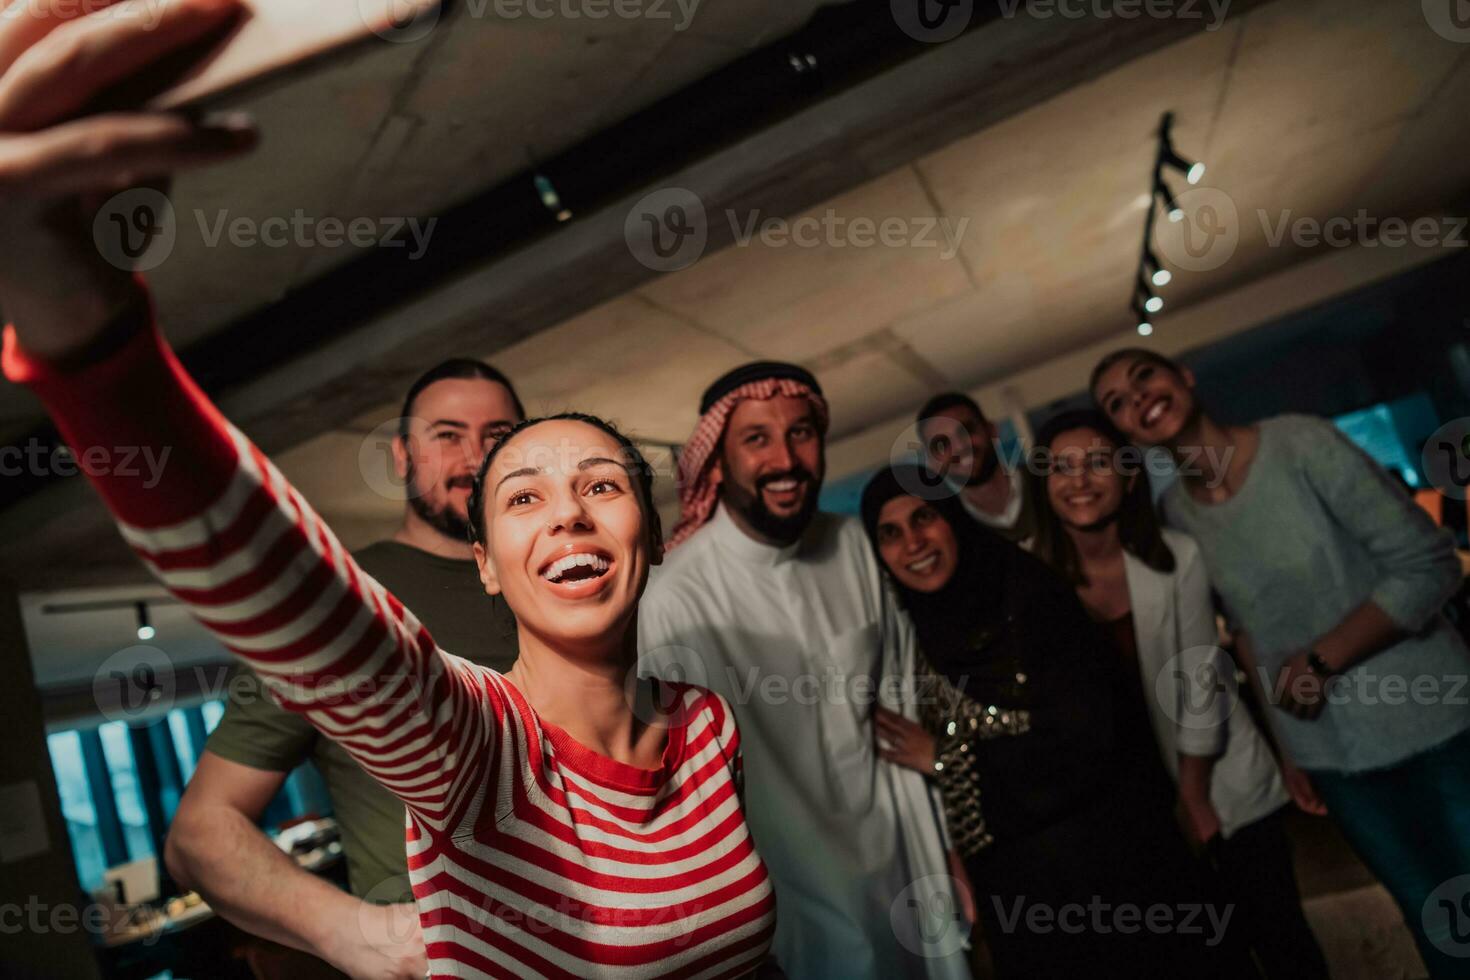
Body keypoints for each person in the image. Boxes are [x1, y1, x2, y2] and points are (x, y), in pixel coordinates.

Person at [0, 6, 779, 976]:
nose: (570, 509)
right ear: (487, 565)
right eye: (523, 495)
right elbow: (300, 605)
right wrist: (89, 338)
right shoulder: (475, 747)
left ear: (653, 535)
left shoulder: (706, 725)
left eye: (602, 484)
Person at [1092, 347, 1470, 977]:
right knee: (1431, 919)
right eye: (1117, 404)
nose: (1138, 399)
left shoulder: (1300, 444)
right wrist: (1290, 751)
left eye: (1144, 377)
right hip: (1335, 760)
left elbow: (1428, 564)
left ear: (1183, 375)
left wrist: (1323, 660)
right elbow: (1246, 632)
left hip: (1438, 726)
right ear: (1125, 432)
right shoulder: (1176, 518)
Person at [165, 358, 524, 978]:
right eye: (446, 435)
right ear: (402, 457)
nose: (474, 457)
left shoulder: (558, 579)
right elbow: (199, 834)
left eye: (496, 436)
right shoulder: (331, 601)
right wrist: (353, 934)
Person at [639, 364, 969, 979]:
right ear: (718, 460)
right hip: (783, 905)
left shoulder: (855, 546)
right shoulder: (674, 599)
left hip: (901, 868)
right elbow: (682, 795)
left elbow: (903, 701)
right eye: (756, 439)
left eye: (800, 433)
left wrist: (946, 852)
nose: (785, 459)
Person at [860, 466, 1236, 979]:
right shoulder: (911, 638)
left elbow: (1092, 738)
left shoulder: (1032, 596)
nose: (913, 543)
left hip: (1110, 859)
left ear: (951, 518)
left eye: (924, 518)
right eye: (890, 533)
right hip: (1018, 889)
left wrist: (947, 757)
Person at [1028, 408, 1327, 979]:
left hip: (1217, 780)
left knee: (1283, 940)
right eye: (1061, 468)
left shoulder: (1175, 557)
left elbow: (1198, 686)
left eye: (1098, 462)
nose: (1081, 480)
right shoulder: (1034, 581)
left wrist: (1193, 798)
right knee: (1208, 960)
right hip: (1130, 809)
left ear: (1130, 475)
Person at [915, 392, 1035, 544]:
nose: (959, 447)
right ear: (932, 461)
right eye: (942, 444)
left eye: (966, 431)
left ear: (991, 431)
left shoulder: (1049, 484)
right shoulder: (950, 530)